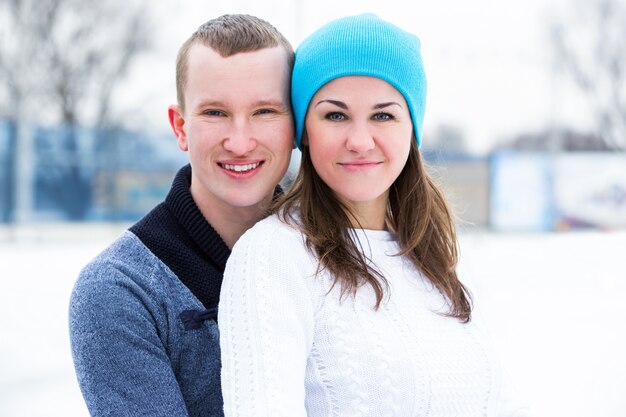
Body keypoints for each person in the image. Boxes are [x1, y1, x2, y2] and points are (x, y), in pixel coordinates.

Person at [219, 13, 529, 417]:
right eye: (335, 115)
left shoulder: (441, 254)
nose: (360, 141)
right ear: (305, 131)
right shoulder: (272, 256)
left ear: (412, 128)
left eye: (383, 115)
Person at [69, 14, 294, 416]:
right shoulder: (121, 289)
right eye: (215, 113)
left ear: (295, 127)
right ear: (180, 127)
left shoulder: (330, 256)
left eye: (264, 111)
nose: (240, 142)